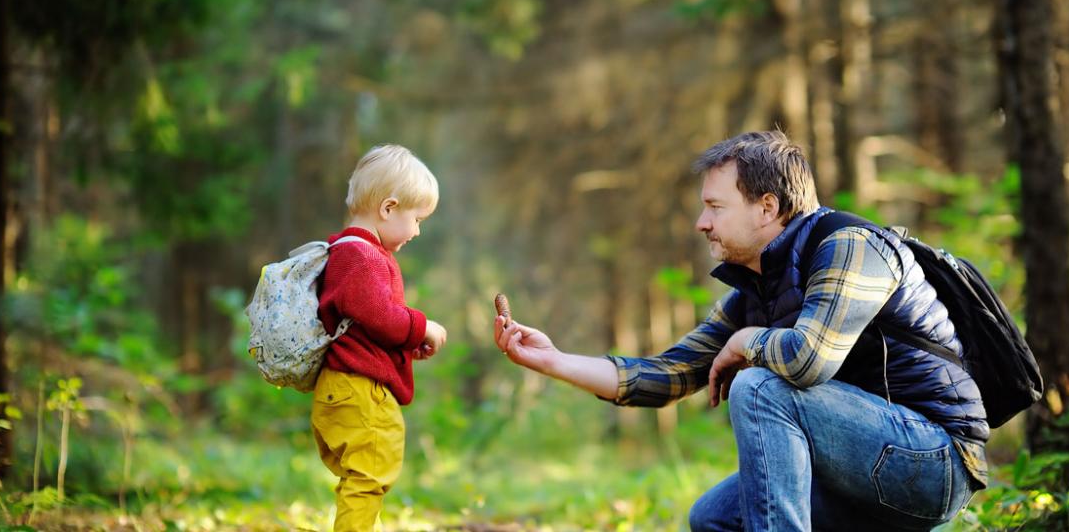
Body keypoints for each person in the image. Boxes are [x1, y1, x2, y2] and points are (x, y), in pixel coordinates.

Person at [492, 130, 986, 531]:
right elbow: (668, 375)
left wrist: (747, 343)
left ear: (767, 207)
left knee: (760, 385)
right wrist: (554, 361)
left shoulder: (851, 248)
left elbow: (808, 360)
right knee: (715, 519)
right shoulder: (761, 290)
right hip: (861, 467)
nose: (701, 223)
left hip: (932, 462)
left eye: (715, 207)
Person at [313, 144, 448, 531]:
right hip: (359, 391)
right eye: (417, 219)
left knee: (362, 476)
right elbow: (380, 316)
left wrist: (403, 346)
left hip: (347, 386)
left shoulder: (349, 251)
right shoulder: (361, 256)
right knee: (368, 477)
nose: (418, 231)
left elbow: (363, 324)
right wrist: (423, 326)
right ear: (388, 209)